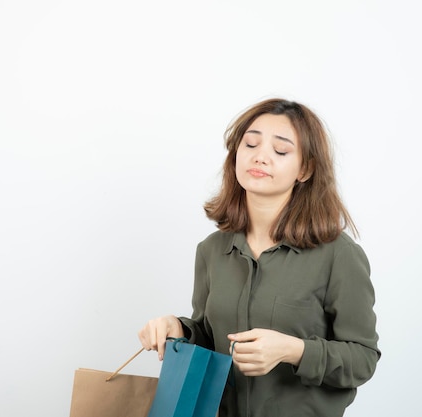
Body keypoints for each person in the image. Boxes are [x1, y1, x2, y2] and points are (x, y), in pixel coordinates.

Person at [138, 98, 380, 417]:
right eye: (250, 143)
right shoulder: (212, 250)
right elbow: (211, 341)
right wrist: (180, 329)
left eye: (280, 151)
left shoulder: (338, 255)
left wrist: (293, 351)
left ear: (305, 169)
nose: (260, 156)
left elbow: (362, 360)